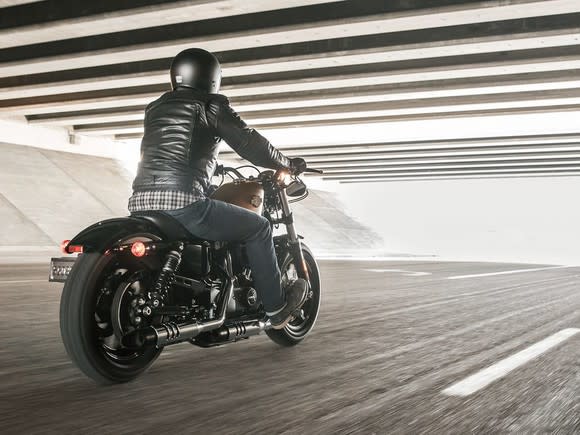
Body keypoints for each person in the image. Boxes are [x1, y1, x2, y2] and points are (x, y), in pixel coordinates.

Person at [128, 48, 308, 329]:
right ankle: (276, 309)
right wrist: (284, 162)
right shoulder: (210, 105)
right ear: (212, 77)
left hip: (140, 202)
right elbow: (249, 143)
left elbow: (172, 152)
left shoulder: (156, 107)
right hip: (183, 203)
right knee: (258, 227)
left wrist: (210, 170)